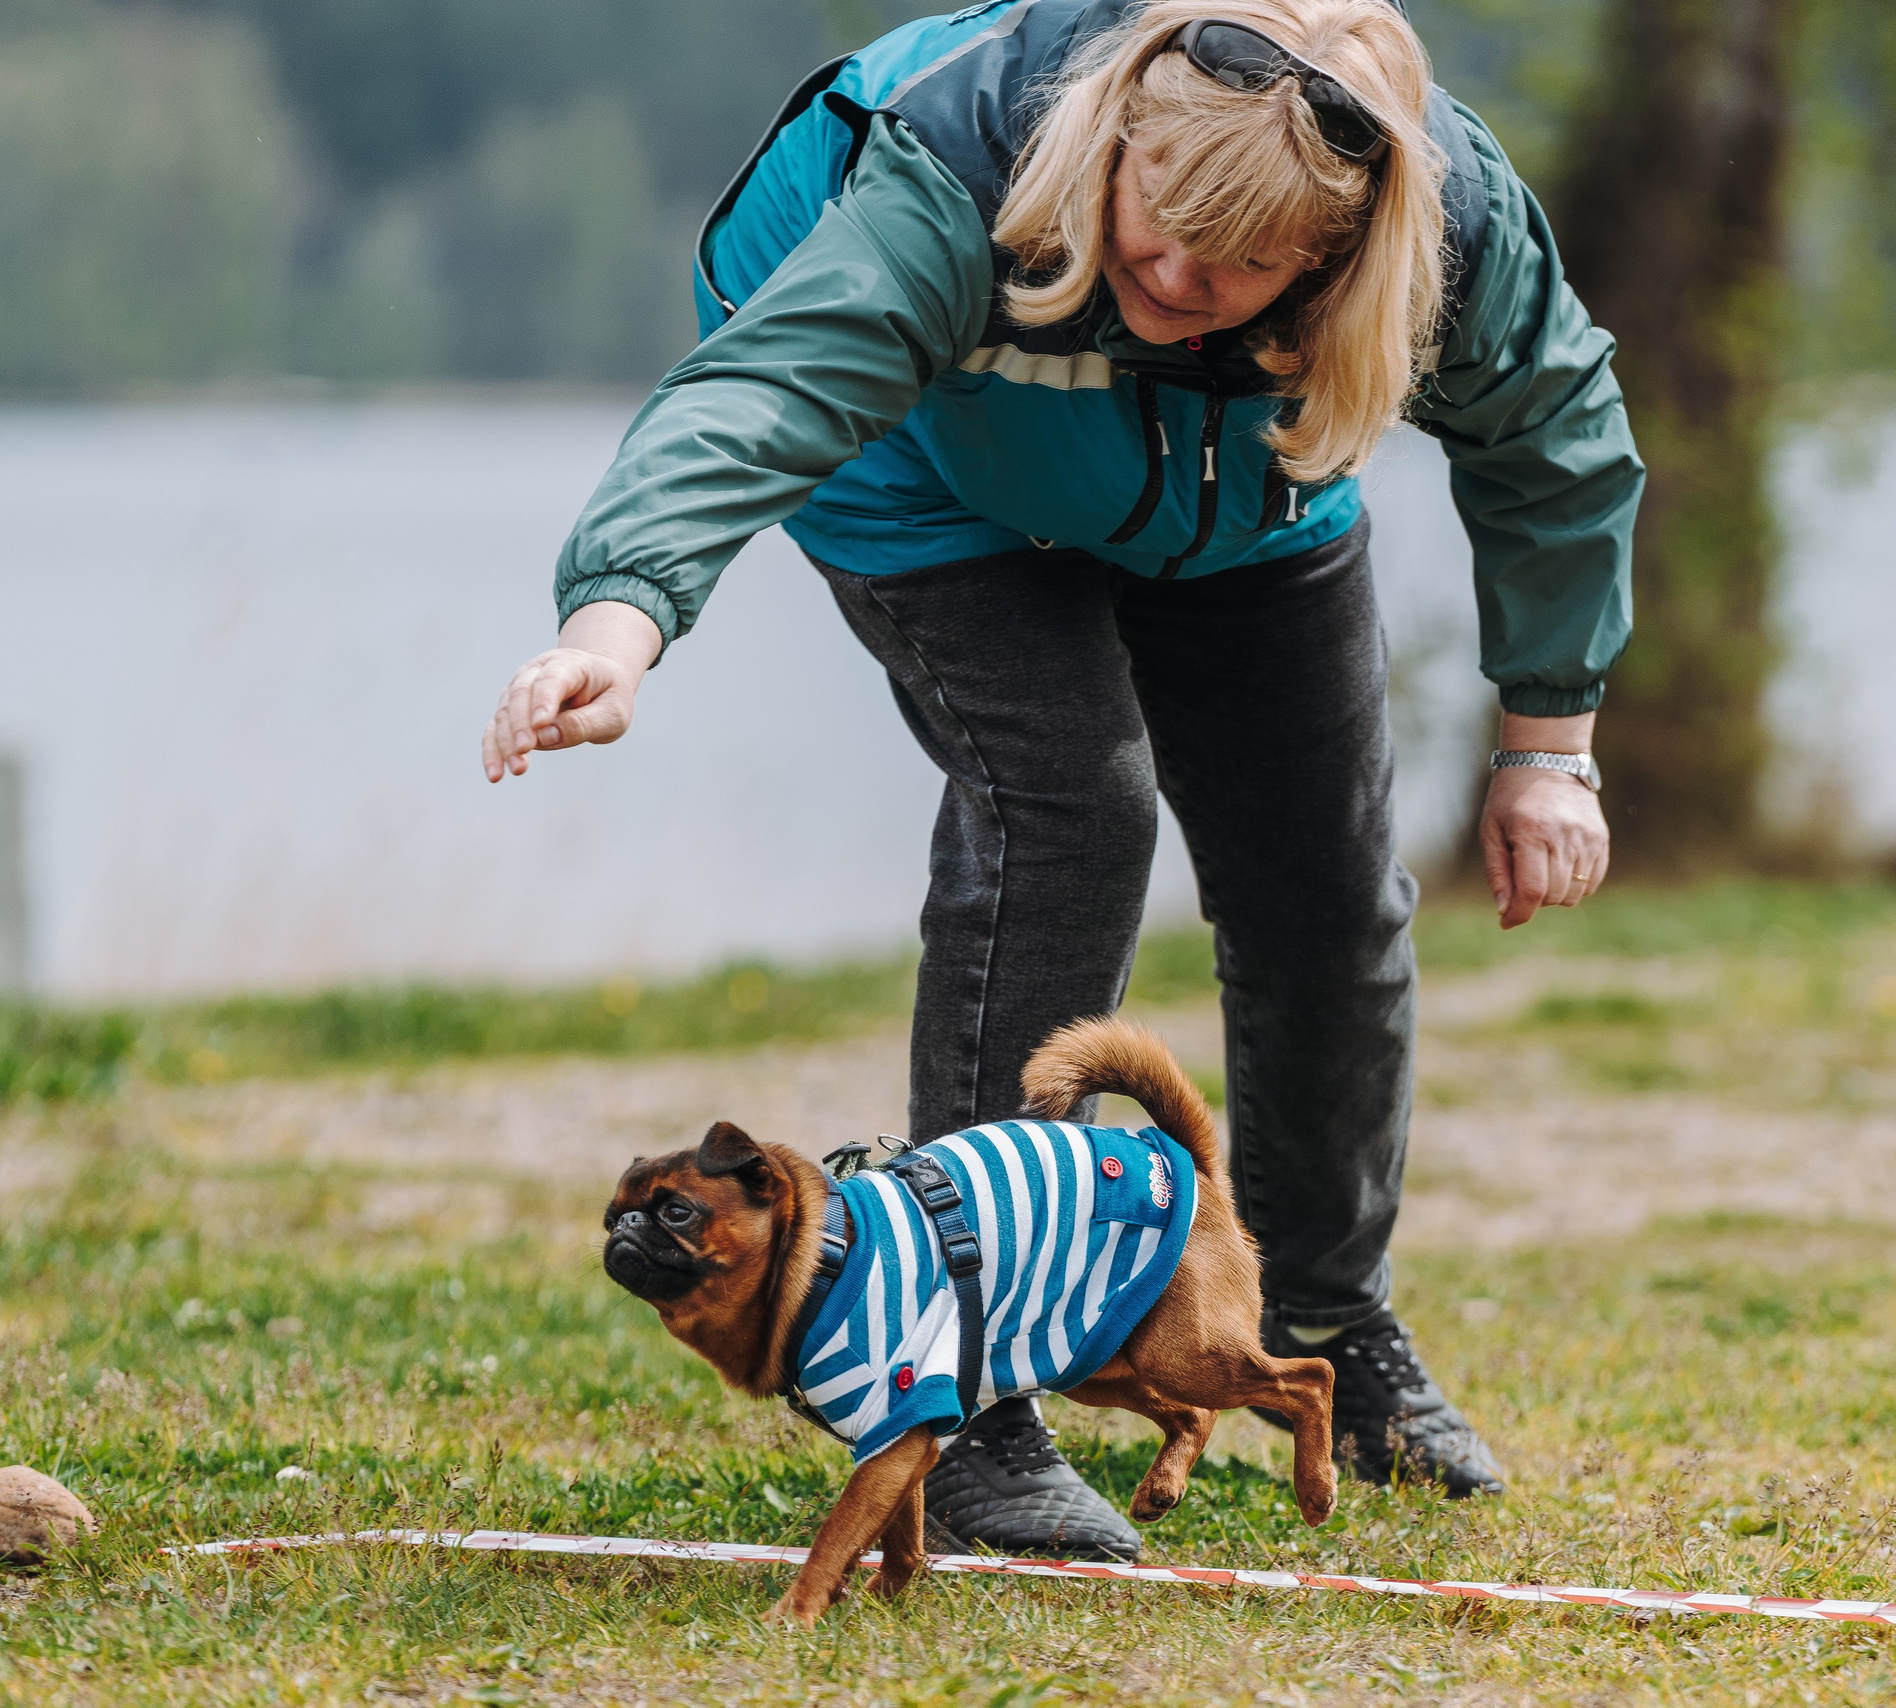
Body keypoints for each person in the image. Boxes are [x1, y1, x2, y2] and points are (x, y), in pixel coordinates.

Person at [482, 0, 1639, 1560]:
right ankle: (962, 1404)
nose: (1170, 284)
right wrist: (622, 614)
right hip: (921, 463)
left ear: (1333, 260)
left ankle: (1330, 1326)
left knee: (1326, 884)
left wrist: (1549, 746)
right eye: (1150, 237)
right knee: (1071, 807)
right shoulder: (965, 169)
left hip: (1242, 493)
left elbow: (1556, 436)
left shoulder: (1444, 233)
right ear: (1117, 147)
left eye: (1229, 276)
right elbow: (773, 389)